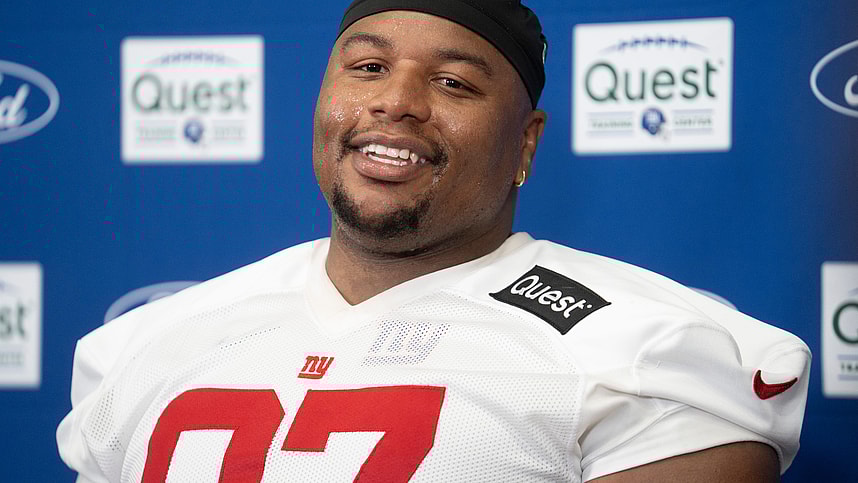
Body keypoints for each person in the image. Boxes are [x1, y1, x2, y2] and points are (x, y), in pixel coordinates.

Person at [57, 0, 810, 481]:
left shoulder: (647, 347)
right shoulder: (145, 344)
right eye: (368, 67)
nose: (395, 101)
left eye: (454, 83)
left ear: (525, 143)